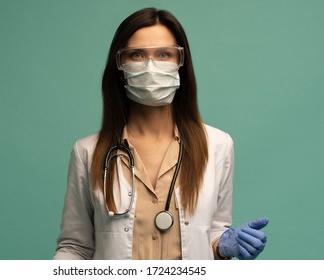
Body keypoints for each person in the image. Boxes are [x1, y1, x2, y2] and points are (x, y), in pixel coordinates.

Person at [54, 7, 269, 260]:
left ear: (180, 63)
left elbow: (212, 232)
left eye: (164, 54)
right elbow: (75, 248)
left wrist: (222, 246)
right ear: (120, 66)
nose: (151, 66)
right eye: (136, 55)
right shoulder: (88, 152)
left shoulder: (218, 146)